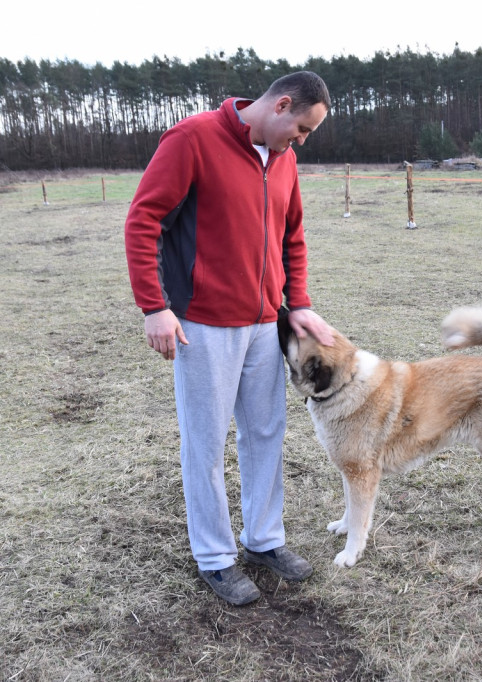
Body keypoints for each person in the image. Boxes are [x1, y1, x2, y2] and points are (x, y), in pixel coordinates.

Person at [124, 71, 334, 606]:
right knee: (206, 442)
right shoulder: (192, 139)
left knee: (264, 434)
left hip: (266, 324)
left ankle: (264, 540)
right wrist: (155, 307)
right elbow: (143, 220)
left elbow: (293, 237)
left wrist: (300, 303)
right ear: (281, 105)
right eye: (303, 129)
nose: (302, 141)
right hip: (202, 327)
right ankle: (215, 558)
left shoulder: (283, 159)